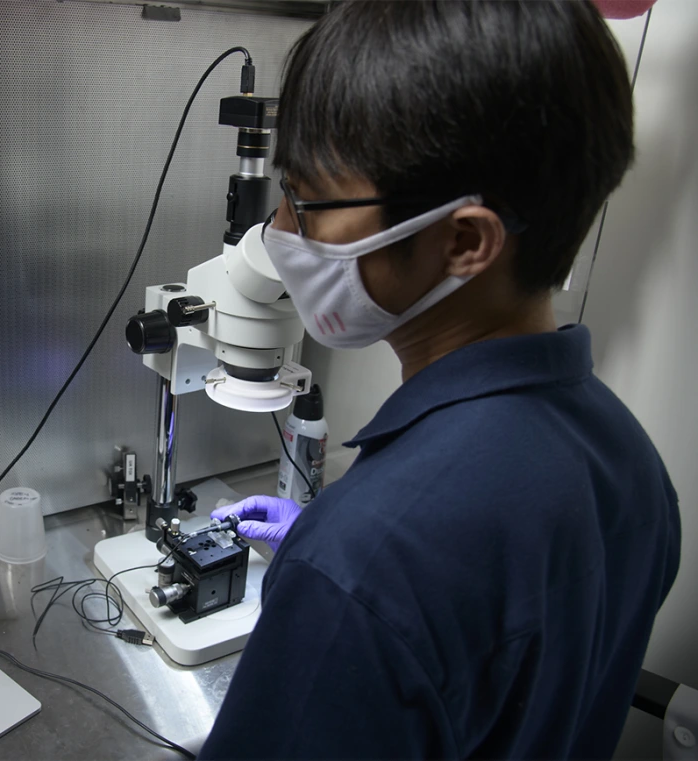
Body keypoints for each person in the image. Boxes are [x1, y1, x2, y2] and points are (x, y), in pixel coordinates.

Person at [200, 1, 679, 758]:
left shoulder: (359, 568)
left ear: (463, 240)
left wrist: (342, 572)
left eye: (306, 201)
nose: (280, 234)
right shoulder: (633, 468)